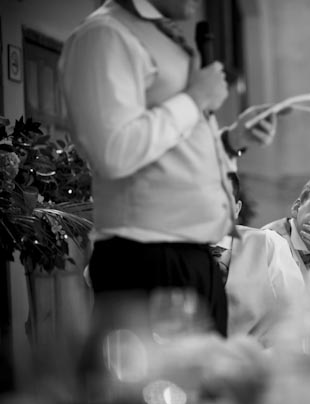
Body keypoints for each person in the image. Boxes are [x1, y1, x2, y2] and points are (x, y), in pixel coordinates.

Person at [58, 0, 279, 337]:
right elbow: (112, 151)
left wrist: (232, 140)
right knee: (156, 371)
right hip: (147, 259)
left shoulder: (160, 36)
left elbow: (172, 156)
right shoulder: (106, 34)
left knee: (206, 371)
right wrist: (194, 99)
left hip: (195, 257)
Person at [215, 173, 305, 344]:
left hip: (259, 355)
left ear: (236, 209)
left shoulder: (267, 242)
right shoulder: (172, 251)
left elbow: (296, 310)